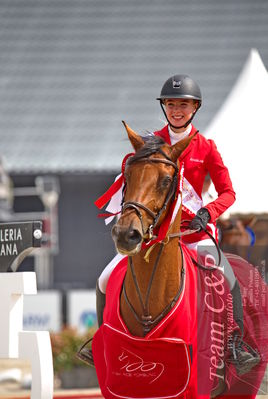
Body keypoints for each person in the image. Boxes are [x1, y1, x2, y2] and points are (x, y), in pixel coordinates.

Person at [94, 74, 259, 374]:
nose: (176, 110)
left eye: (183, 104)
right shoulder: (151, 144)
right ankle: (101, 339)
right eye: (171, 104)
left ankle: (234, 343)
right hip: (154, 235)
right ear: (164, 108)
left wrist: (208, 212)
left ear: (195, 108)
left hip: (193, 233)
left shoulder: (206, 147)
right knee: (105, 279)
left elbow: (228, 192)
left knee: (227, 276)